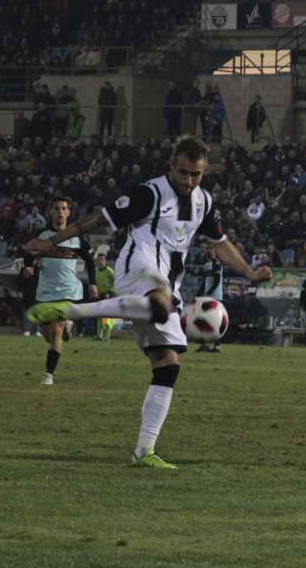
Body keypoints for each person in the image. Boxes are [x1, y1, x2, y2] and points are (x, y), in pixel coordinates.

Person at [24, 135, 272, 469]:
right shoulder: (150, 194)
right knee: (161, 303)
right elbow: (99, 218)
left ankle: (144, 450)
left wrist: (250, 272)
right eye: (183, 172)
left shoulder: (203, 203)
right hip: (137, 267)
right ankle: (72, 311)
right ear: (172, 164)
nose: (188, 181)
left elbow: (222, 243)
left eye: (195, 175)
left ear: (204, 172)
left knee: (168, 365)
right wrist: (51, 240)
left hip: (168, 285)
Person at [27, 195, 99, 385]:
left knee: (56, 332)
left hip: (68, 290)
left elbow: (90, 260)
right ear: (51, 211)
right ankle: (68, 324)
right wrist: (28, 267)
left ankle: (48, 374)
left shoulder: (76, 237)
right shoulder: (41, 236)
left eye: (63, 208)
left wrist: (92, 283)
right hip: (45, 291)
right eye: (56, 208)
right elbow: (28, 254)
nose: (60, 212)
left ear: (68, 212)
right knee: (47, 334)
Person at [195, 242, 224, 353]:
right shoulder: (207, 265)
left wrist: (209, 292)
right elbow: (204, 282)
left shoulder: (216, 263)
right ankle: (206, 344)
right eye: (207, 248)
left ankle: (217, 346)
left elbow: (217, 281)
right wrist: (198, 295)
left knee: (215, 321)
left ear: (214, 250)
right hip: (208, 296)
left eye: (210, 248)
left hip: (215, 296)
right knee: (205, 320)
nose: (208, 250)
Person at [92, 254, 115, 342]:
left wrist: (109, 292)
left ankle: (107, 336)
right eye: (99, 260)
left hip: (108, 295)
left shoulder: (110, 271)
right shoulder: (95, 271)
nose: (101, 261)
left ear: (105, 261)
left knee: (107, 317)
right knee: (99, 316)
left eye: (102, 259)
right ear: (97, 261)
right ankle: (99, 335)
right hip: (99, 295)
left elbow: (114, 283)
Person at [17, 264, 41, 337]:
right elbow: (18, 280)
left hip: (35, 294)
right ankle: (26, 330)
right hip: (27, 293)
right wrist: (21, 288)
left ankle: (37, 330)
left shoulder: (38, 269)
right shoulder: (24, 269)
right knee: (26, 313)